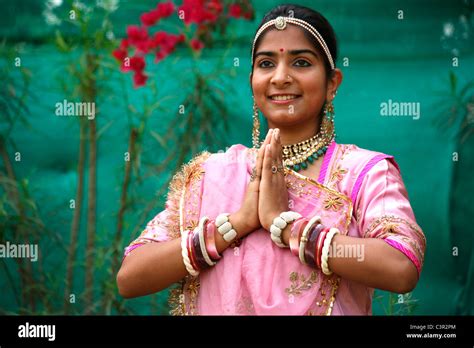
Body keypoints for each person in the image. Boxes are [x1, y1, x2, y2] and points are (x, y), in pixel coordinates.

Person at [116, 4, 426, 315]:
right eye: (266, 63)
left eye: (301, 62)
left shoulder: (364, 172)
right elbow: (130, 277)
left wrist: (291, 229)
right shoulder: (214, 174)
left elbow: (401, 266)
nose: (280, 77)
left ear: (332, 83)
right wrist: (236, 224)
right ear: (252, 81)